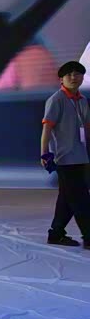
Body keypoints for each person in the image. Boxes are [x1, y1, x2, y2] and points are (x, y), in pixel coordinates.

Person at [41, 61, 90, 249]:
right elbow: (47, 129)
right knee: (81, 199)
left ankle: (56, 233)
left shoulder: (82, 100)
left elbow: (86, 128)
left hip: (81, 156)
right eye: (69, 74)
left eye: (77, 74)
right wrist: (44, 153)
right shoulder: (56, 100)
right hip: (65, 158)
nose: (73, 77)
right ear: (61, 79)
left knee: (67, 199)